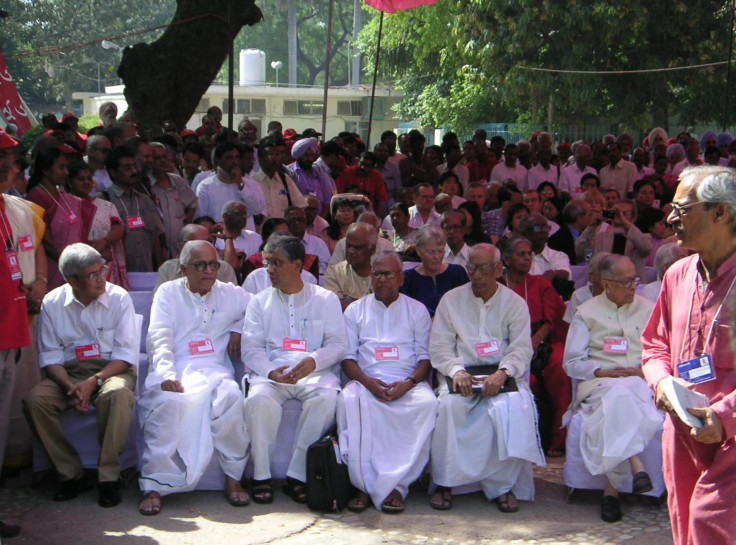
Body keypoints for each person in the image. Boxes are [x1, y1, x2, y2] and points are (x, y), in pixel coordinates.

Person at [641, 166, 736, 545]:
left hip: (729, 433)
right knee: (685, 527)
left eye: (682, 210)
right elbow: (654, 344)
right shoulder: (677, 274)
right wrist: (662, 380)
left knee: (708, 521)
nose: (670, 219)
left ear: (720, 213)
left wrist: (725, 417)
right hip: (682, 431)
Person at [429, 244, 545, 512]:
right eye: (471, 267)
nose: (475, 274)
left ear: (498, 269)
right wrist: (457, 371)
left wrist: (503, 373)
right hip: (461, 375)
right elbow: (440, 347)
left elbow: (521, 348)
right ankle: (448, 483)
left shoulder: (514, 303)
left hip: (501, 374)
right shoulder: (451, 300)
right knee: (450, 407)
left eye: (482, 268)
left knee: (514, 407)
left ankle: (502, 486)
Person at [138, 241, 251, 515]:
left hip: (215, 368)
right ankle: (154, 484)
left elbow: (258, 309)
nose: (209, 271)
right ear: (183, 268)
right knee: (168, 404)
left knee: (231, 397)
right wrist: (166, 373)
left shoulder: (231, 294)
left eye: (214, 265)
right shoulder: (168, 293)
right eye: (200, 265)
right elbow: (160, 337)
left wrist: (238, 328)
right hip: (177, 367)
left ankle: (233, 478)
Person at [24, 244, 138, 508]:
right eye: (93, 274)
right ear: (72, 280)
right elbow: (50, 356)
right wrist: (70, 386)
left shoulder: (119, 298)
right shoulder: (53, 302)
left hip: (112, 369)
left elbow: (125, 355)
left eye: (102, 270)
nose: (102, 278)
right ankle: (71, 473)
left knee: (118, 394)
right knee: (34, 401)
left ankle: (108, 476)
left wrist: (92, 382)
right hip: (67, 373)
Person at [241, 235, 347, 504]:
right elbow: (250, 349)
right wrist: (270, 372)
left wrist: (314, 360)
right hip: (273, 374)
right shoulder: (259, 301)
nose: (269, 270)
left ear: (298, 264)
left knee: (326, 399)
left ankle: (298, 476)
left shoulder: (325, 299)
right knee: (258, 399)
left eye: (277, 263)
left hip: (314, 373)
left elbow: (338, 344)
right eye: (267, 262)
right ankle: (261, 476)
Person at [564, 255, 662, 522]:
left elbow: (663, 353)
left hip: (640, 381)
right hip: (600, 383)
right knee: (618, 393)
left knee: (623, 395)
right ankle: (635, 467)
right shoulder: (587, 313)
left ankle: (612, 490)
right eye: (626, 281)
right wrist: (600, 371)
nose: (633, 286)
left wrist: (641, 371)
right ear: (607, 284)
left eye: (635, 280)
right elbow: (572, 362)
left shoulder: (649, 309)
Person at [337, 251, 437, 513]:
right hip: (366, 380)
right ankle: (363, 484)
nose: (381, 279)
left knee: (427, 404)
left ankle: (398, 485)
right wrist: (369, 383)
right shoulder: (355, 310)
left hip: (407, 382)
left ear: (401, 278)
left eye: (388, 274)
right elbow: (348, 359)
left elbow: (425, 359)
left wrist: (408, 383)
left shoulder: (417, 311)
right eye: (377, 274)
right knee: (350, 400)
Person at [0, 132, 47, 539]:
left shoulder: (14, 210)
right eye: (2, 157)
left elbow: (29, 259)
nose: (10, 165)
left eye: (11, 158)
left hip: (12, 330)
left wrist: (37, 284)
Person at [499, 237, 570, 457]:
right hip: (506, 346)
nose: (527, 258)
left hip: (540, 344)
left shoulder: (540, 284)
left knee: (560, 366)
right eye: (521, 254)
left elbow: (550, 321)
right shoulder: (498, 285)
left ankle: (559, 442)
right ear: (507, 259)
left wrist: (534, 341)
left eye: (529, 254)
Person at [27, 146, 94, 289]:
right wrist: (72, 267)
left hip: (73, 267)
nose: (66, 172)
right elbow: (46, 241)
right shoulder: (37, 196)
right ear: (45, 171)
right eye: (61, 167)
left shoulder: (61, 195)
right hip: (55, 268)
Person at [65, 161, 128, 289]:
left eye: (89, 178)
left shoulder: (106, 205)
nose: (87, 182)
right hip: (79, 264)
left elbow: (118, 228)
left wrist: (104, 241)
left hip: (107, 262)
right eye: (81, 179)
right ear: (69, 182)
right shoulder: (64, 207)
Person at [103, 146, 166, 273]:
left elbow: (156, 237)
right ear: (113, 172)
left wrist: (160, 266)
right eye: (127, 168)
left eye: (135, 166)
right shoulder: (104, 201)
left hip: (146, 271)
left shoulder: (145, 200)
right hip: (117, 274)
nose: (134, 171)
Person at [399, 225, 469, 317]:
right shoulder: (408, 279)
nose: (436, 257)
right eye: (431, 252)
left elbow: (467, 307)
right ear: (418, 251)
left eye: (440, 251)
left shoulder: (457, 273)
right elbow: (407, 313)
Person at [149, 143, 198, 259]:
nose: (163, 161)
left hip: (178, 250)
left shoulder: (177, 180)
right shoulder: (146, 186)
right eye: (157, 158)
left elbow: (193, 202)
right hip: (157, 252)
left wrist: (187, 223)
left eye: (164, 157)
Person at [155, 224, 237, 292]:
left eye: (210, 241)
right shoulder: (168, 268)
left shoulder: (224, 268)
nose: (209, 246)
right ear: (183, 246)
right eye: (202, 243)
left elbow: (233, 301)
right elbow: (159, 299)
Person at [324, 223, 377, 310]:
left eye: (357, 247)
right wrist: (372, 305)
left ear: (372, 250)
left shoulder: (382, 273)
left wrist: (350, 302)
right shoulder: (335, 272)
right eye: (348, 245)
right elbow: (334, 306)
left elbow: (386, 305)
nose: (350, 251)